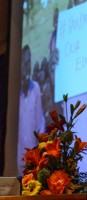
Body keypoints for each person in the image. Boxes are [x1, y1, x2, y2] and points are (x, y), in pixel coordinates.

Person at [18, 45, 45, 175]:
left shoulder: (36, 88)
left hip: (33, 164)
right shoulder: (11, 94)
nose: (27, 67)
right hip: (15, 162)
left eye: (29, 62)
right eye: (24, 63)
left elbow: (40, 124)